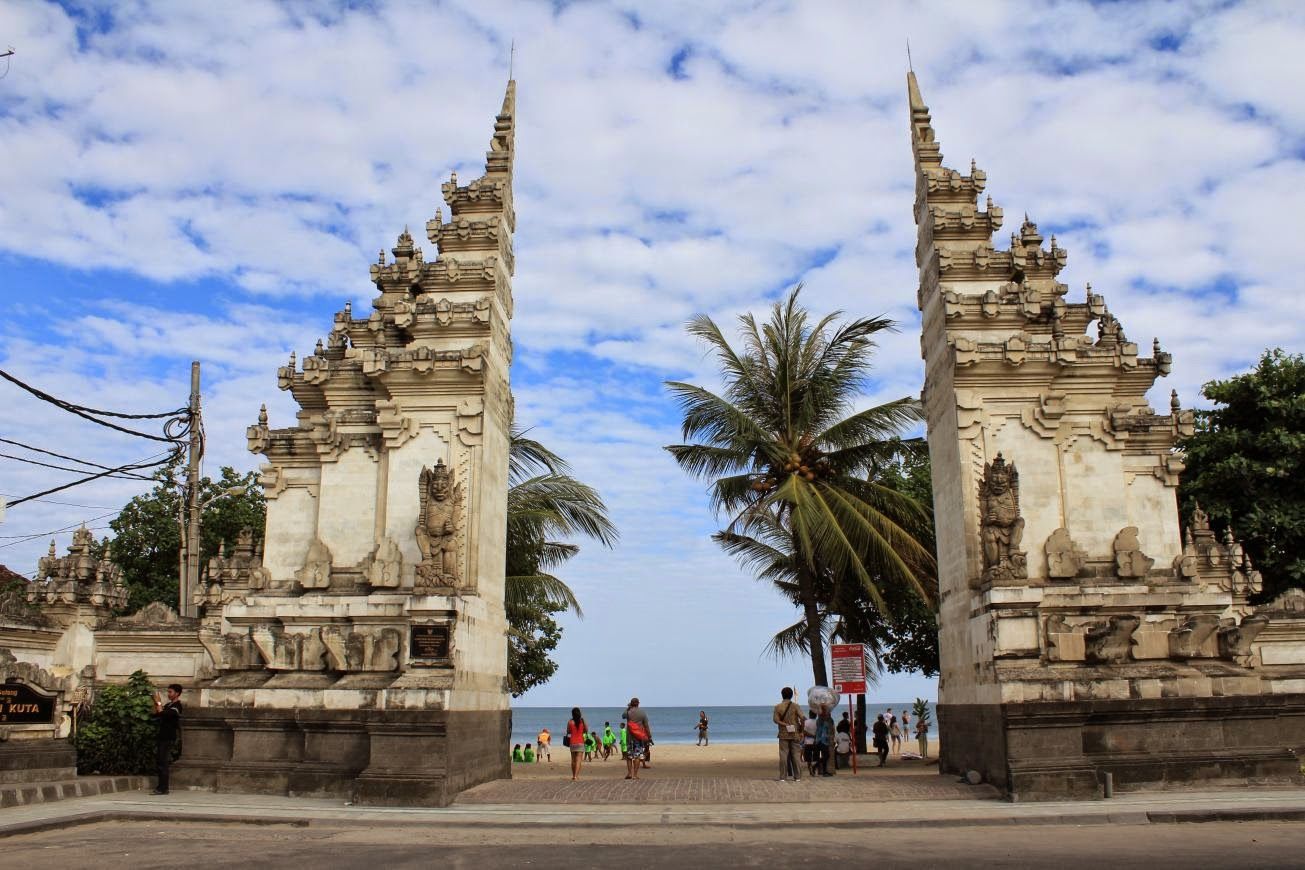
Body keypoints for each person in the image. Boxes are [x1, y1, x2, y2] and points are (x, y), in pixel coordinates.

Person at [151, 683, 182, 795]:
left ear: (177, 693)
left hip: (168, 737)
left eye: (170, 692)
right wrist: (155, 702)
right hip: (162, 736)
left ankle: (163, 788)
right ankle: (161, 787)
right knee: (159, 761)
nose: (168, 694)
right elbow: (157, 714)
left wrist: (159, 702)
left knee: (163, 762)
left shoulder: (177, 706)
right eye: (168, 692)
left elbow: (164, 714)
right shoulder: (169, 705)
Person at [772, 686, 803, 782]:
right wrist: (801, 731)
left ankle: (783, 777)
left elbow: (775, 720)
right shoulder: (795, 706)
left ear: (782, 695)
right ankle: (797, 777)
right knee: (796, 755)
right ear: (791, 695)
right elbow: (802, 718)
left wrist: (784, 724)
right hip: (795, 733)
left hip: (783, 734)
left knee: (783, 755)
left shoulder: (778, 707)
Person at [623, 697, 653, 780]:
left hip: (629, 737)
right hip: (638, 738)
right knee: (637, 756)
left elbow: (623, 716)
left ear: (631, 703)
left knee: (629, 756)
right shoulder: (642, 713)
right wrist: (649, 736)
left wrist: (628, 707)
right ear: (638, 703)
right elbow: (646, 726)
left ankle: (629, 773)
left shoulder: (628, 712)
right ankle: (635, 775)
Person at [565, 707, 587, 781]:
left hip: (572, 742)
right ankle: (576, 776)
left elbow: (568, 732)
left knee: (573, 760)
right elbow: (586, 730)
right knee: (578, 760)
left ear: (572, 714)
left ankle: (573, 775)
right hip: (580, 742)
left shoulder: (570, 722)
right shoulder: (582, 721)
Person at [814, 707, 835, 776]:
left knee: (825, 756)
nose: (827, 714)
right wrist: (823, 709)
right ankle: (815, 766)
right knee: (826, 756)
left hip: (823, 740)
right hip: (821, 740)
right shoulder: (820, 720)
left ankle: (824, 771)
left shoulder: (826, 720)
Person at [802, 709, 818, 776]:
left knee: (808, 758)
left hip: (808, 742)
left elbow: (804, 732)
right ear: (816, 715)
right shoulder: (818, 722)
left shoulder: (806, 722)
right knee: (816, 757)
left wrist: (812, 736)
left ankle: (811, 770)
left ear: (809, 714)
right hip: (816, 742)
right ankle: (814, 768)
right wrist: (815, 736)